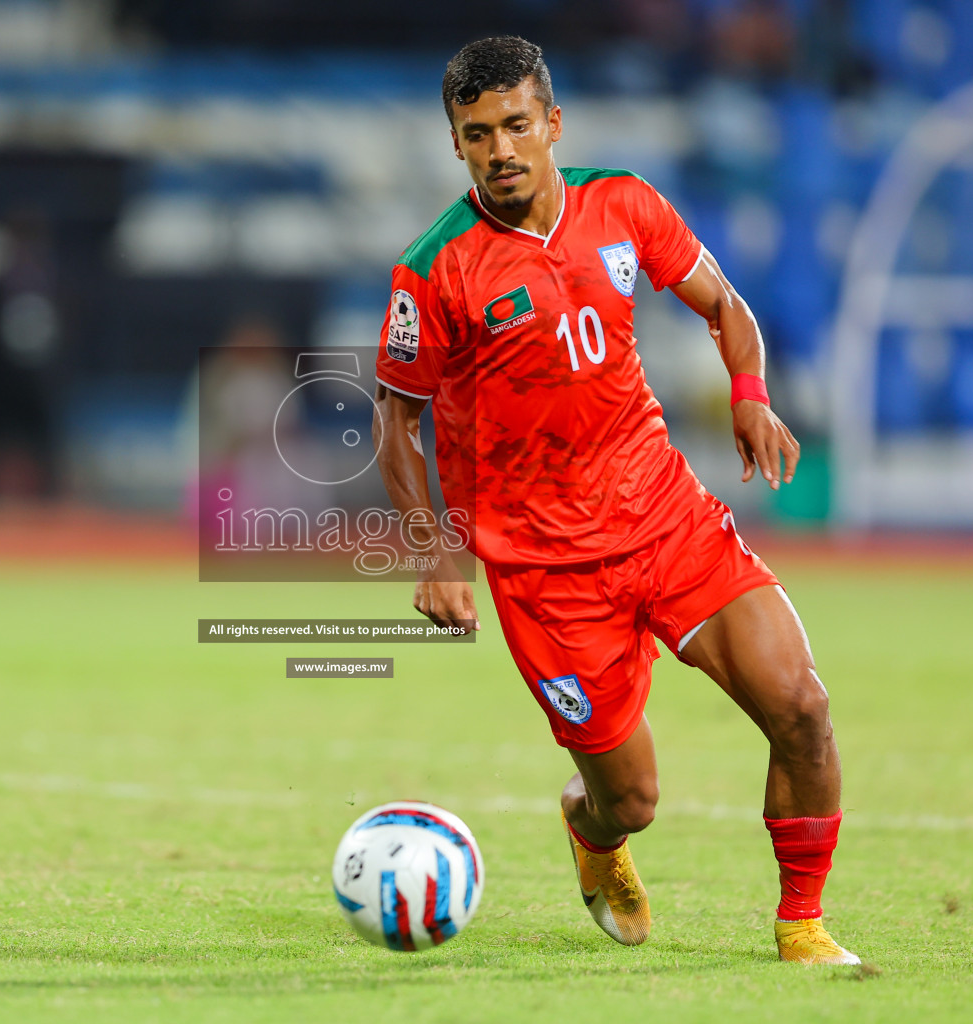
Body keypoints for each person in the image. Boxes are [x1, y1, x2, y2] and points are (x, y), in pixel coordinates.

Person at [372, 36, 855, 964]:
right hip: (546, 570)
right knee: (631, 800)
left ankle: (803, 927)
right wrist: (437, 553)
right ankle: (592, 835)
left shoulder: (626, 204)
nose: (501, 149)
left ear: (553, 124)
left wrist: (750, 397)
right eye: (478, 135)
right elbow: (397, 420)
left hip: (667, 518)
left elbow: (725, 304)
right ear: (457, 146)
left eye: (517, 125)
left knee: (801, 706)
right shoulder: (435, 269)